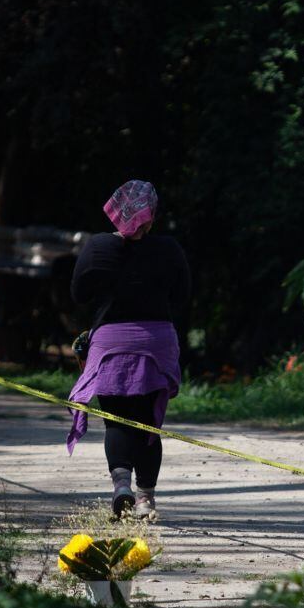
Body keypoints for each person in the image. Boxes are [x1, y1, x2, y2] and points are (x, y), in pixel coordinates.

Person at [68, 180, 191, 519]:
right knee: (148, 425)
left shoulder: (96, 247)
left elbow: (79, 294)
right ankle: (146, 499)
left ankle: (121, 485)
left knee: (117, 422)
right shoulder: (169, 249)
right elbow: (181, 298)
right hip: (157, 342)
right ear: (151, 217)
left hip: (110, 345)